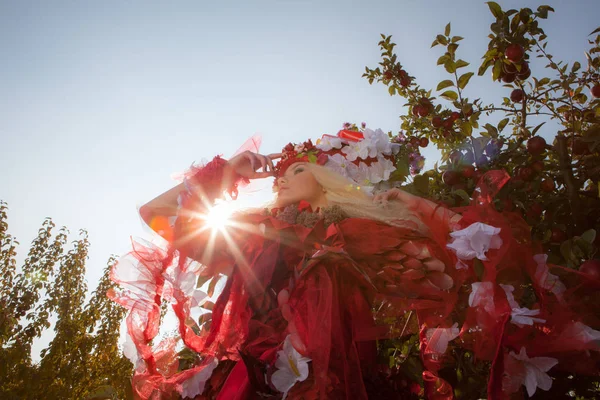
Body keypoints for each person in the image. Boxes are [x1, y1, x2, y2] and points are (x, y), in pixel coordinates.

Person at [110, 128, 600, 400]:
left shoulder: (367, 228)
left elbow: (461, 263)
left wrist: (414, 206)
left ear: (326, 179)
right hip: (250, 381)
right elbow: (159, 213)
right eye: (281, 173)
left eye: (297, 170)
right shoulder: (255, 233)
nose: (281, 178)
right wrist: (228, 172)